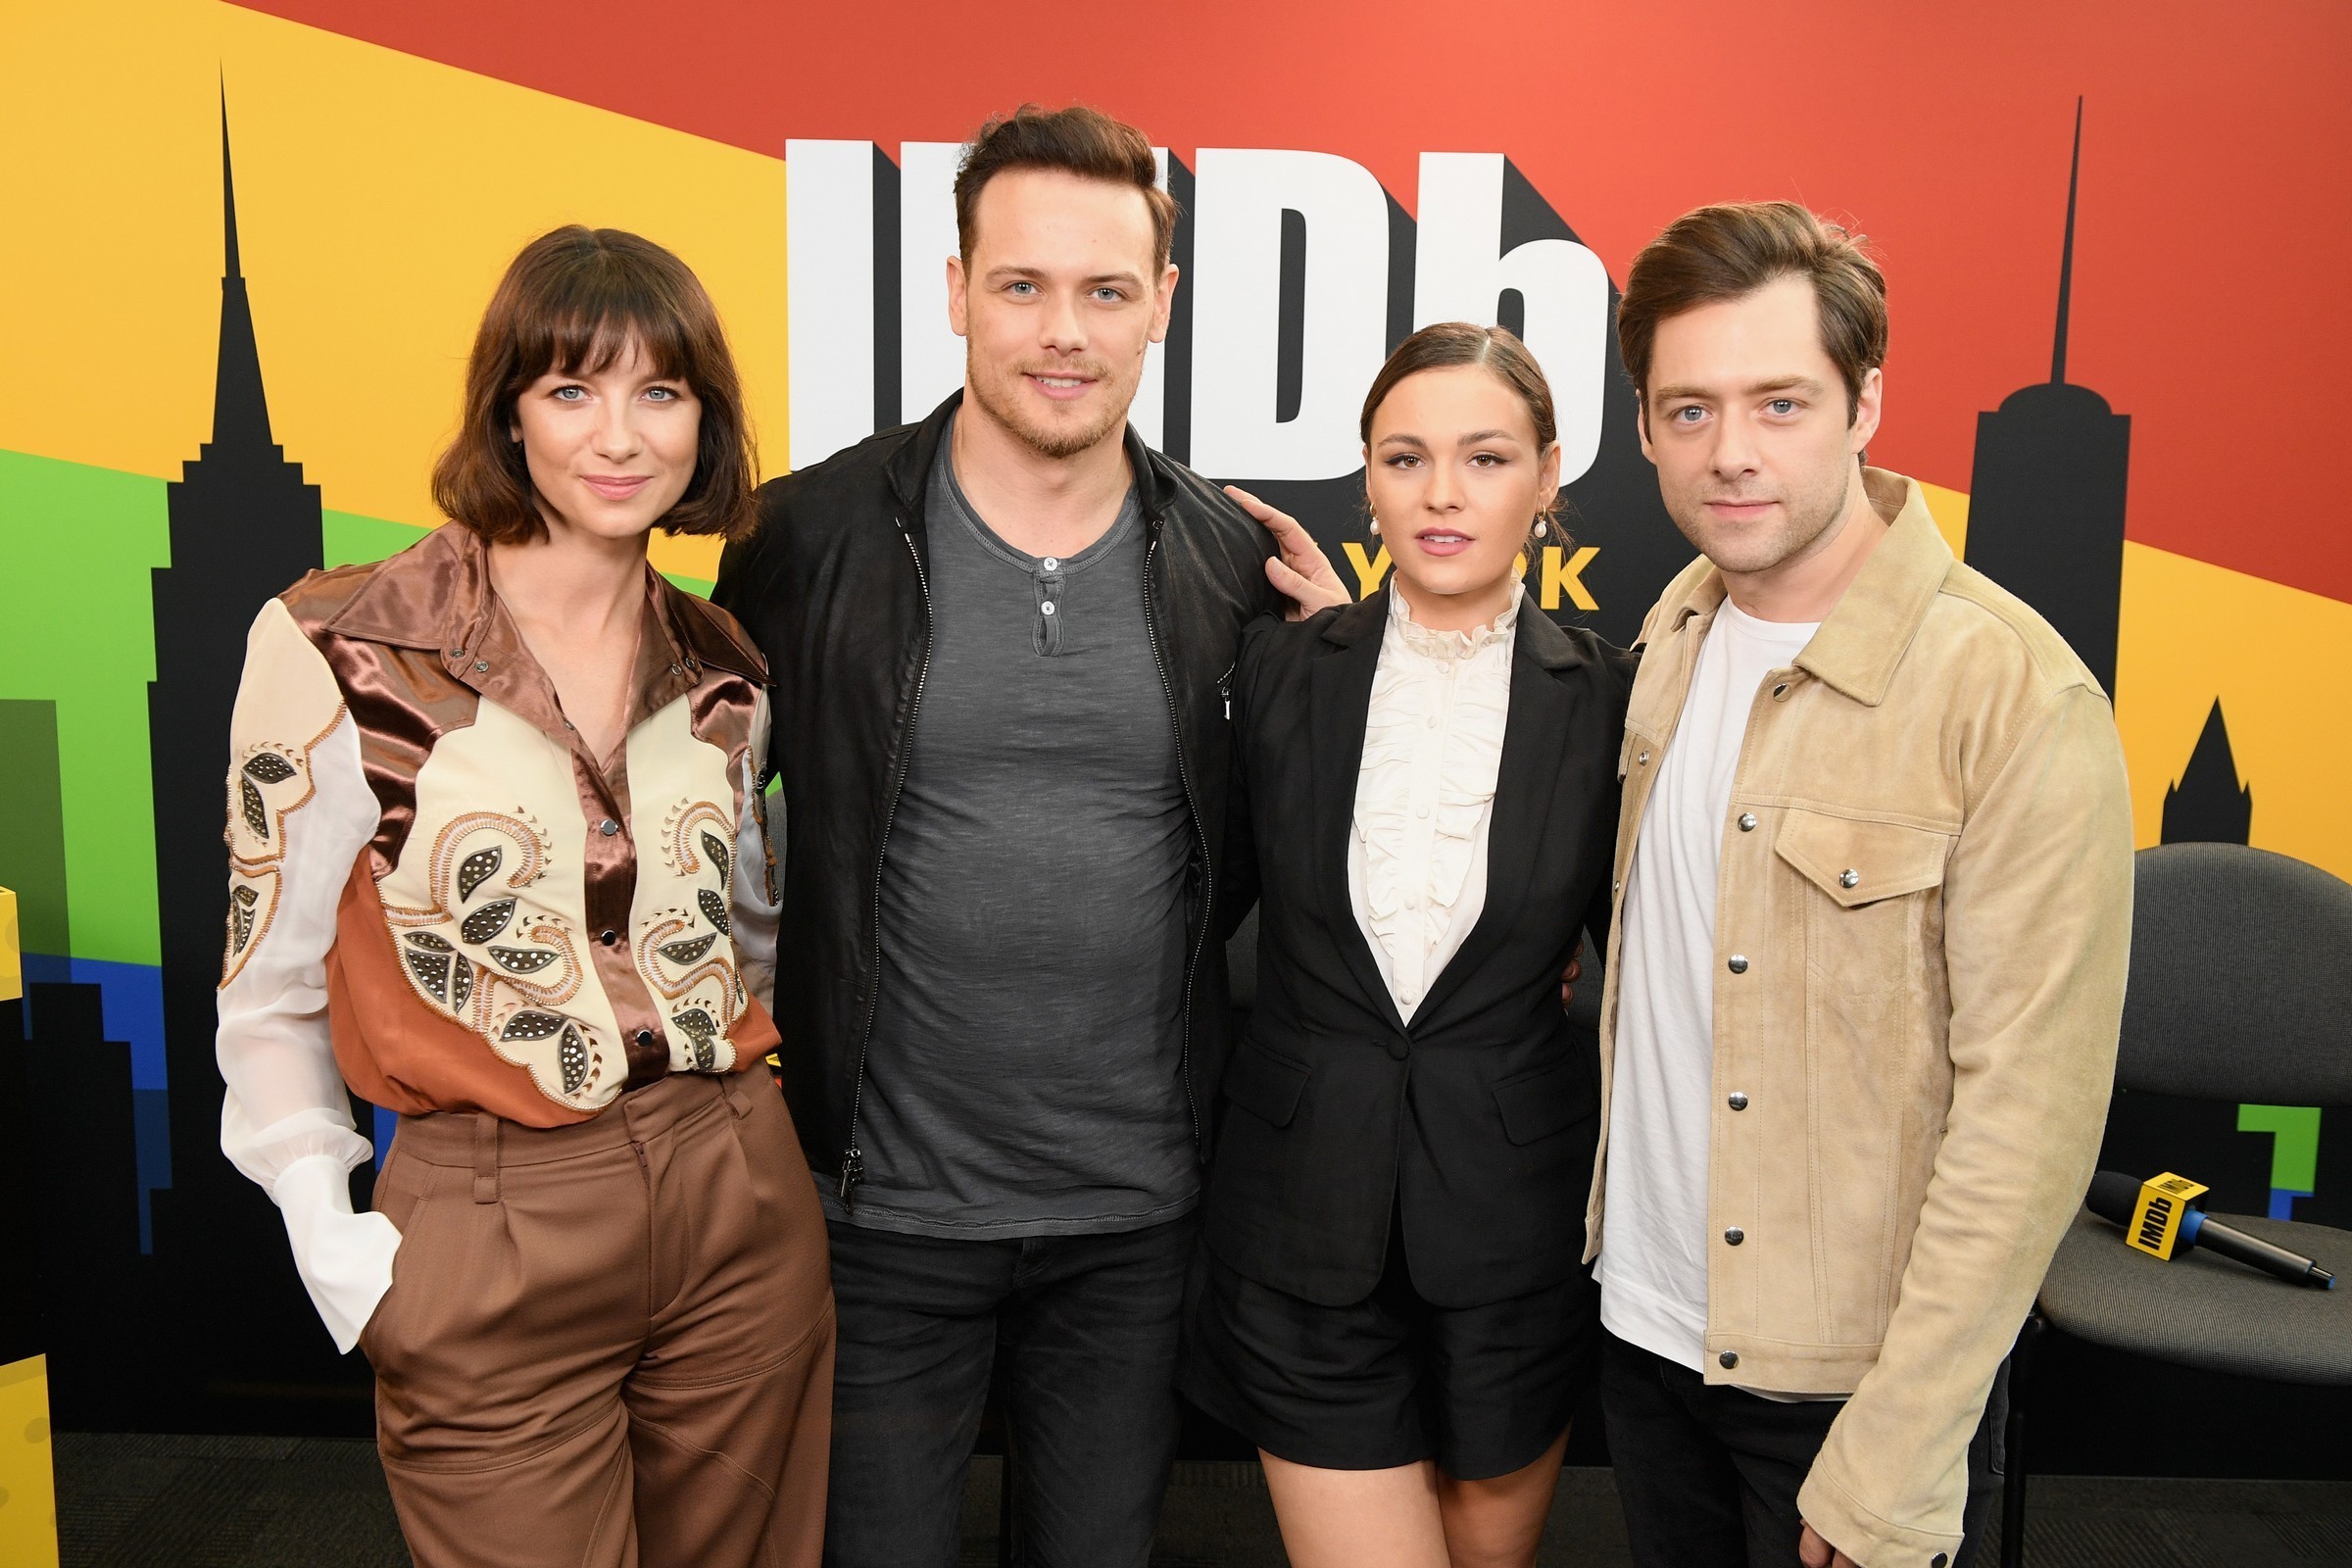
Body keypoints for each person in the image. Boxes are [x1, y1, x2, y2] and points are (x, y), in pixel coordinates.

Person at [711, 105, 1347, 1568]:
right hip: (877, 1208)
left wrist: (1347, 679)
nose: (1064, 332)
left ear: (1162, 305)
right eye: (1022, 285)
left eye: (1106, 289)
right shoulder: (803, 539)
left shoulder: (1231, 564)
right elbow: (703, 832)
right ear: (956, 292)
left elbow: (1288, 861)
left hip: (1137, 1220)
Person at [215, 226, 834, 1568]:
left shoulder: (727, 665)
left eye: (660, 391)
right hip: (488, 1211)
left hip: (737, 1198)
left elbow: (746, 939)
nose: (620, 435)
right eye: (571, 388)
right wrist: (331, 1237)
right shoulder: (341, 645)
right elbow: (267, 988)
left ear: (705, 422)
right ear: (508, 412)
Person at [1588, 201, 2133, 1568]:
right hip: (1645, 1334)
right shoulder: (1671, 632)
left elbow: (2029, 1122)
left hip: (1848, 1391)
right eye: (1690, 409)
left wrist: (1901, 1439)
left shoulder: (2011, 692)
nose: (1732, 451)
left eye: (1781, 402)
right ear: (1644, 425)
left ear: (1866, 403)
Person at [1182, 323, 1633, 1568]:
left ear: (1547, 477)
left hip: (1516, 1234)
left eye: (1485, 458)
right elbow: (1191, 912)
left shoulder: (1617, 698)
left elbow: (1657, 966)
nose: (1441, 493)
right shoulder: (1276, 675)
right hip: (1298, 1220)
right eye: (1405, 457)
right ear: (1369, 478)